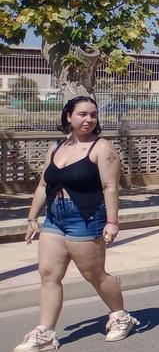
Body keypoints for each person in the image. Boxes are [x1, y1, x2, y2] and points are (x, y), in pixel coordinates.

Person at [16, 97, 138, 352]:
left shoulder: (101, 147)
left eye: (93, 115)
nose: (89, 119)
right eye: (82, 114)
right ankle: (46, 333)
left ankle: (120, 315)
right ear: (68, 116)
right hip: (54, 218)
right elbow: (43, 185)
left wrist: (112, 222)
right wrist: (32, 218)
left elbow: (110, 187)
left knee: (94, 274)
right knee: (48, 274)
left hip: (86, 217)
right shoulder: (56, 147)